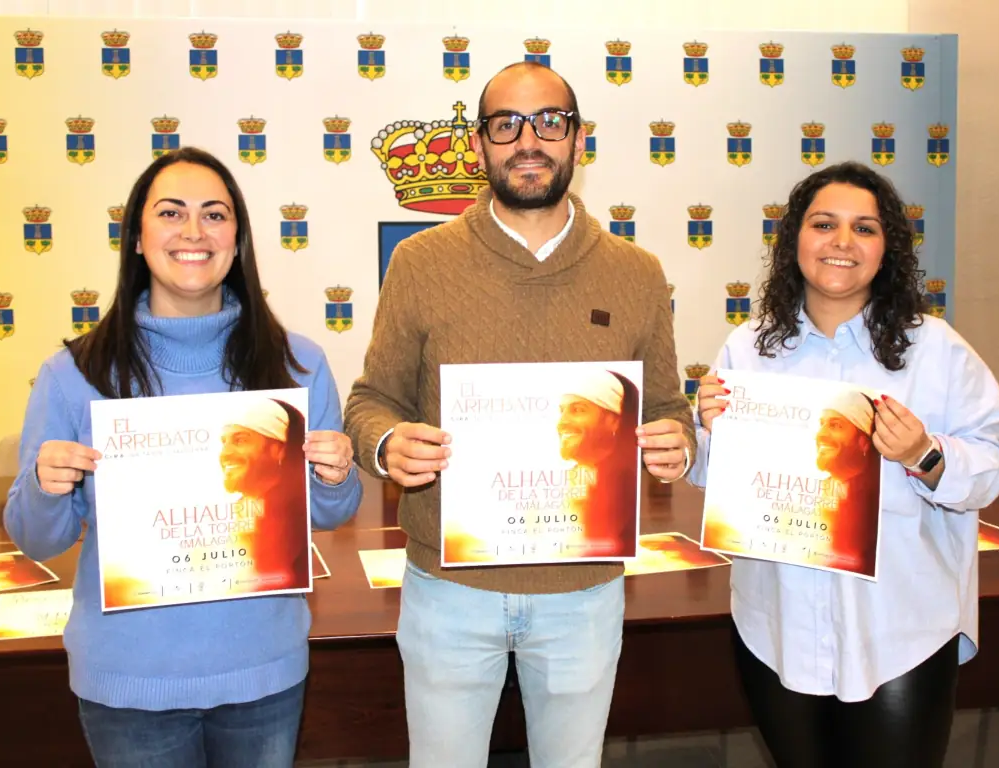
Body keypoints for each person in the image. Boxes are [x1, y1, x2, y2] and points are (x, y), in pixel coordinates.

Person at [344, 61, 695, 768]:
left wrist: (674, 443)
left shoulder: (637, 273)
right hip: (450, 589)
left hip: (582, 593)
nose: (527, 140)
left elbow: (665, 407)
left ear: (578, 140)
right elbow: (371, 401)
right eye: (505, 124)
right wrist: (386, 444)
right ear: (478, 144)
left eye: (548, 122)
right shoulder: (419, 262)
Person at [3, 146, 363, 768]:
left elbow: (331, 513)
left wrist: (335, 475)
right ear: (137, 238)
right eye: (171, 213)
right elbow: (36, 540)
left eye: (214, 215)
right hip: (130, 681)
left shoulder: (298, 363)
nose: (193, 232)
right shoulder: (73, 373)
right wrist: (44, 483)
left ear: (238, 239)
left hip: (263, 671)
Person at [691, 161, 999, 768]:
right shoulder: (748, 348)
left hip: (901, 630)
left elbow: (993, 466)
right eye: (823, 224)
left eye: (864, 228)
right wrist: (702, 433)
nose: (842, 242)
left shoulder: (935, 349)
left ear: (887, 248)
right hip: (778, 625)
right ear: (794, 242)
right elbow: (716, 477)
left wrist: (925, 454)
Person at [219, 398, 311, 589]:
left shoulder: (287, 517)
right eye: (224, 442)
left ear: (279, 449)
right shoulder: (242, 511)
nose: (225, 453)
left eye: (241, 440)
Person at [557, 369, 640, 557]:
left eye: (578, 410)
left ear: (615, 421)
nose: (562, 422)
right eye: (561, 411)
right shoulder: (564, 481)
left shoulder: (628, 485)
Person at [812, 389, 881, 575]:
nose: (820, 435)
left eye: (835, 425)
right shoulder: (812, 492)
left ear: (863, 441)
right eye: (821, 424)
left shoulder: (879, 501)